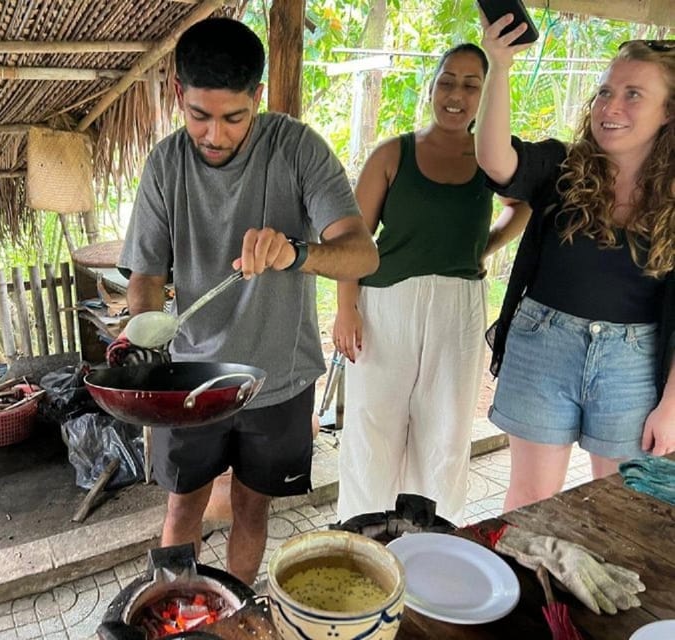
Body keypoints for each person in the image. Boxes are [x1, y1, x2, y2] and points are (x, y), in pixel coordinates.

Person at [117, 17, 378, 586]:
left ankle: (233, 610)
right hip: (187, 380)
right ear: (178, 93)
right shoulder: (165, 165)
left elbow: (361, 254)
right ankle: (178, 609)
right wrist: (143, 329)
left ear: (256, 98)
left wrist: (296, 252)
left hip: (276, 379)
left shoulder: (296, 148)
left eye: (234, 118)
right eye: (200, 116)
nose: (215, 135)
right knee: (183, 507)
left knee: (252, 508)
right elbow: (146, 274)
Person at [476, 14, 674, 511]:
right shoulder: (564, 167)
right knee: (531, 503)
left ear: (669, 112)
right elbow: (496, 160)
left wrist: (673, 404)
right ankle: (529, 591)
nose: (611, 106)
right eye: (607, 91)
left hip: (634, 361)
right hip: (545, 343)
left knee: (627, 507)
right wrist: (499, 67)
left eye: (634, 94)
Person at [334, 43, 530, 525]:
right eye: (447, 80)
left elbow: (522, 204)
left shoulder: (493, 158)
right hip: (384, 309)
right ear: (431, 86)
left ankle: (431, 548)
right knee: (371, 427)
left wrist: (480, 248)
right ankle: (361, 541)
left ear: (486, 96)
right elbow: (350, 238)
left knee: (444, 431)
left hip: (457, 313)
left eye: (470, 84)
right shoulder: (392, 154)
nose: (456, 94)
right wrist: (345, 308)